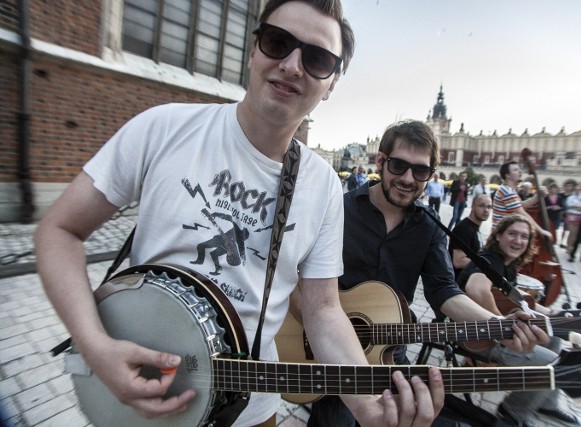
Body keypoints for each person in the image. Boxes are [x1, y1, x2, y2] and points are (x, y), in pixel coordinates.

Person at [33, 2, 444, 426]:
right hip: (145, 387)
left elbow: (323, 310)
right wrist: (95, 345)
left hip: (248, 408)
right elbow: (59, 229)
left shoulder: (321, 185)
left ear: (331, 82)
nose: (291, 65)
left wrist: (366, 405)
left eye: (317, 58)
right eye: (278, 42)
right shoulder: (163, 128)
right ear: (253, 49)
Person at [305, 120, 548, 427]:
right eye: (398, 165)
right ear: (380, 161)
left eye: (420, 171)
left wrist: (497, 325)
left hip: (390, 347)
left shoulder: (430, 225)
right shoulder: (339, 209)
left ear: (431, 174)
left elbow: (443, 289)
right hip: (328, 349)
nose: (408, 178)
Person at [457, 215, 581, 427]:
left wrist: (555, 316)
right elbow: (476, 289)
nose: (518, 241)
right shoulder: (490, 261)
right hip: (475, 336)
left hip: (489, 332)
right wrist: (503, 326)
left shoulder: (506, 264)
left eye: (524, 236)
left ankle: (547, 403)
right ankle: (512, 412)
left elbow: (520, 303)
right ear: (498, 236)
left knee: (554, 339)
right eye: (512, 234)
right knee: (553, 362)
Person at [491, 161, 552, 241]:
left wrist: (537, 197)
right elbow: (522, 213)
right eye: (516, 170)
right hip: (502, 235)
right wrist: (541, 231)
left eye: (519, 169)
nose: (520, 172)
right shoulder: (507, 191)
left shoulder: (509, 190)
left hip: (503, 232)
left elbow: (520, 205)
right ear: (507, 175)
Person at [448, 194, 492, 279]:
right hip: (456, 283)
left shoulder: (474, 228)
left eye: (489, 207)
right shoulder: (464, 229)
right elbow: (458, 261)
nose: (486, 210)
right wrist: (486, 265)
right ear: (473, 207)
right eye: (481, 206)